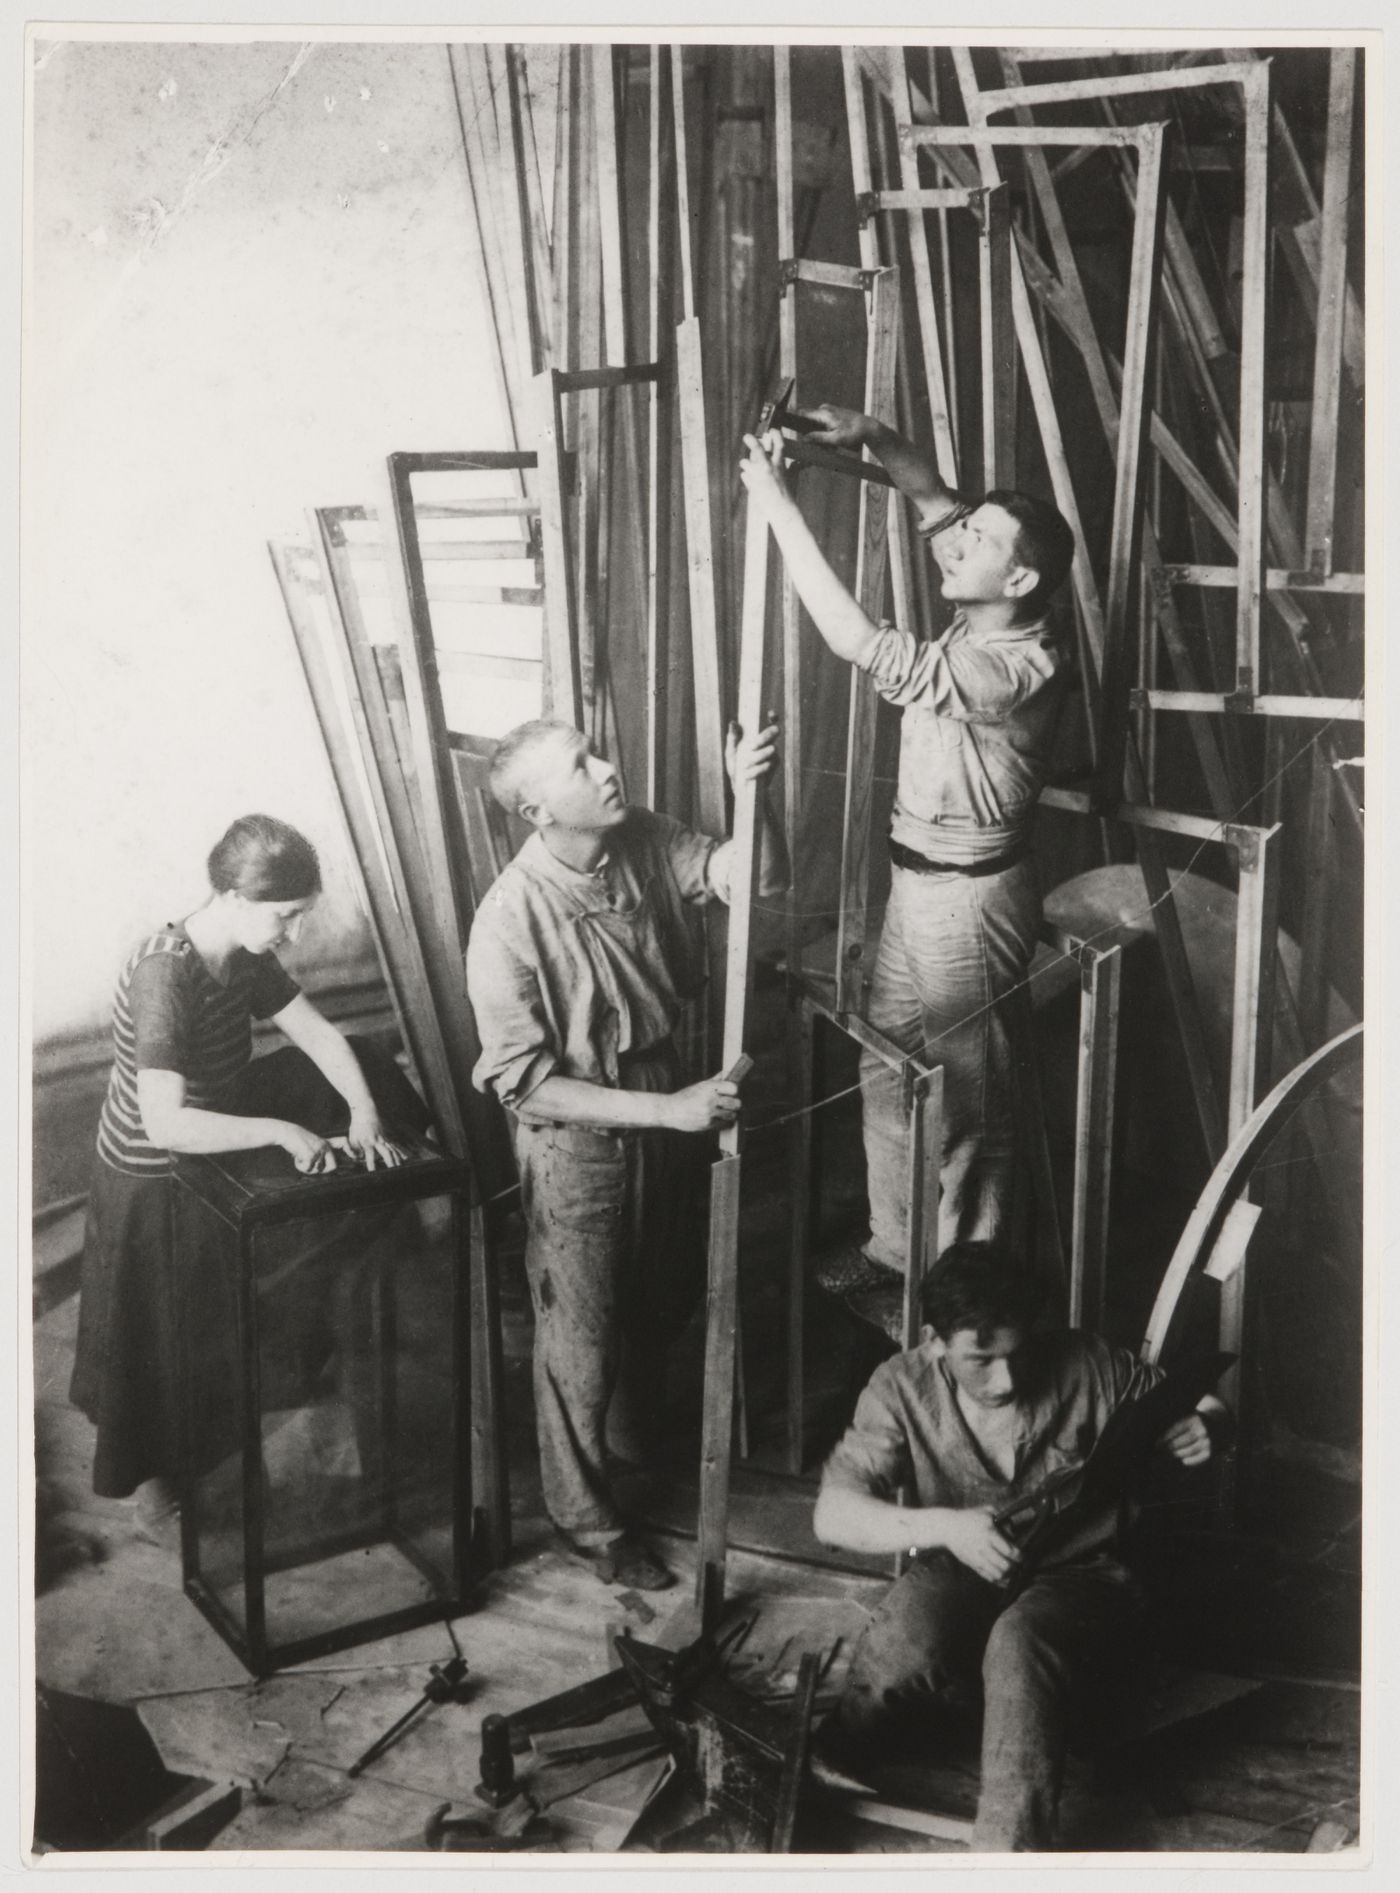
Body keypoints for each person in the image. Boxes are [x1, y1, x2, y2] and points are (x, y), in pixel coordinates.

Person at [739, 413, 1075, 1321]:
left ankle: (969, 1294)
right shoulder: (986, 600)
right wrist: (874, 433)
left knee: (972, 1101)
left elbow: (859, 644)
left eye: (979, 538)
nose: (954, 538)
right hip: (915, 881)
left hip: (971, 902)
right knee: (885, 1062)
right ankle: (897, 1247)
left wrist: (774, 504)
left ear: (1021, 578)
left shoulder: (1020, 664)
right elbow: (930, 494)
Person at [466, 717, 787, 1590]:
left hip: (664, 1098)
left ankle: (637, 1440)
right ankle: (586, 1519)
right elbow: (526, 1087)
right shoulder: (507, 921)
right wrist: (668, 1111)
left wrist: (749, 793)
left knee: (659, 1290)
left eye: (598, 749)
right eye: (582, 766)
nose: (609, 768)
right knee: (581, 1336)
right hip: (579, 1138)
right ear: (537, 810)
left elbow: (754, 878)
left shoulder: (639, 836)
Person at [70, 814, 429, 1538]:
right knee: (164, 1341)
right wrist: (281, 1131)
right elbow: (167, 1123)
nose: (293, 933)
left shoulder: (245, 952)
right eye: (286, 916)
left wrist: (362, 1113)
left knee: (363, 1062)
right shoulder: (164, 974)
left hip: (215, 1132)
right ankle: (158, 1487)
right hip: (152, 1176)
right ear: (233, 894)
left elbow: (321, 1034)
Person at [812, 1242, 1230, 1851]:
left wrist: (1210, 1424)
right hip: (967, 1557)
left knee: (1019, 1643)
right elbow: (833, 1514)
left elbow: (1202, 1398)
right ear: (934, 1340)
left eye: (1018, 1353)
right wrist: (948, 1528)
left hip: (1083, 1573)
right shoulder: (898, 1386)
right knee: (909, 1630)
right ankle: (841, 1744)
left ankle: (1009, 1855)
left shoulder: (1087, 1363)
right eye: (981, 1359)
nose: (1006, 1380)